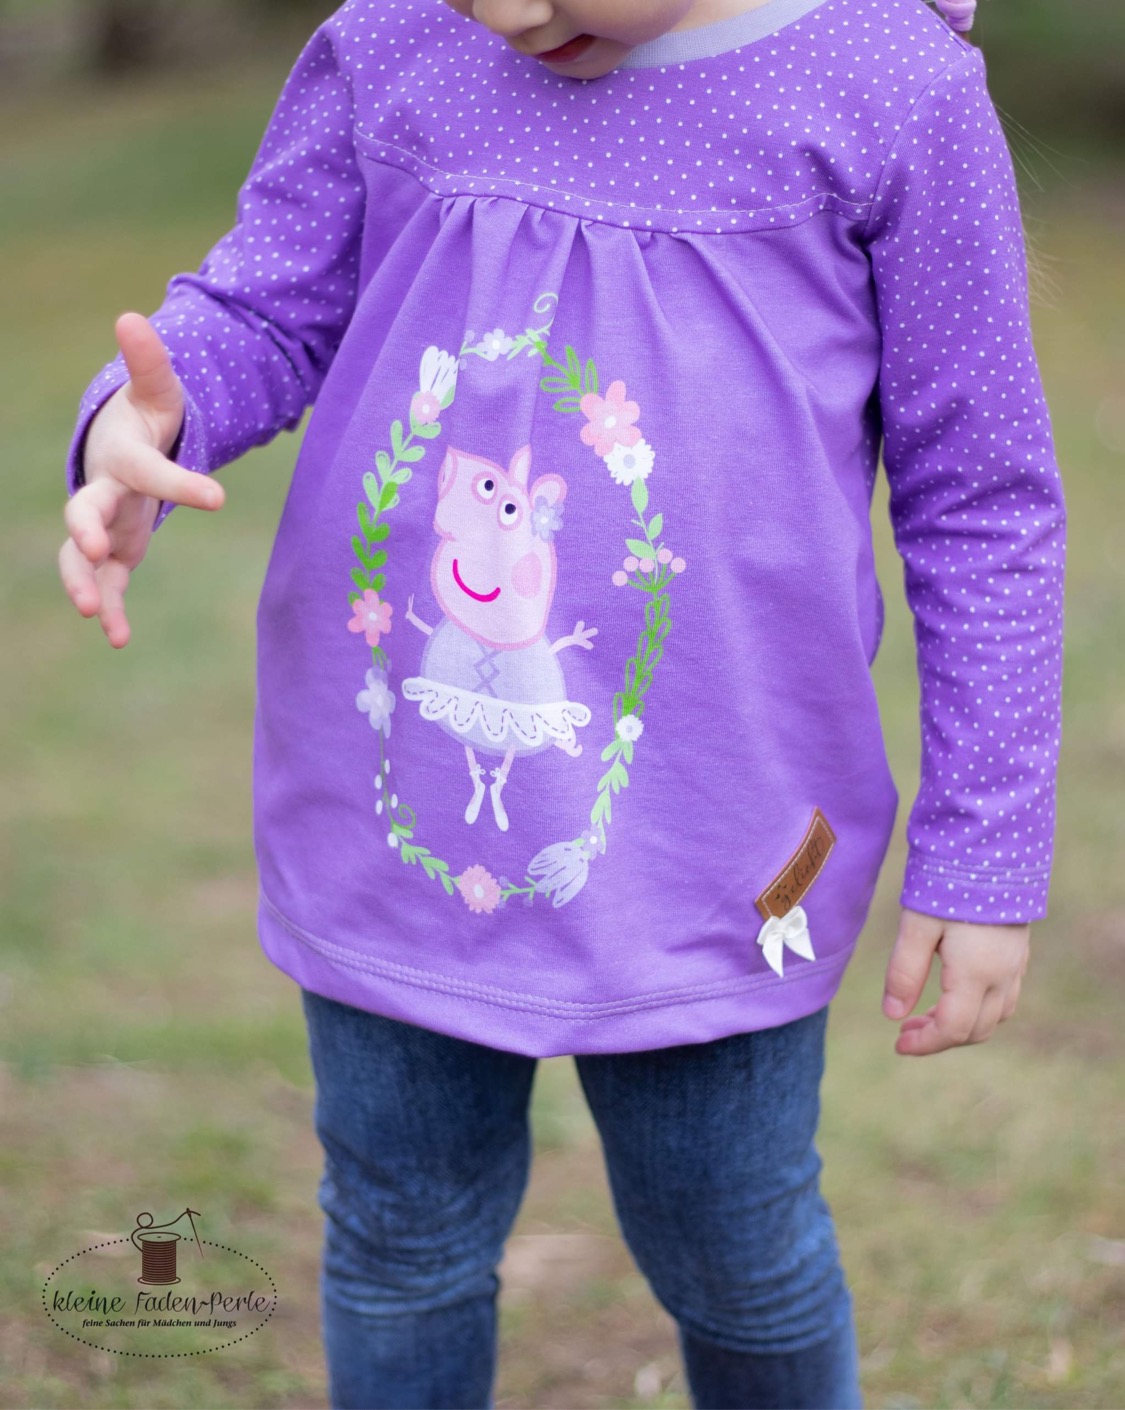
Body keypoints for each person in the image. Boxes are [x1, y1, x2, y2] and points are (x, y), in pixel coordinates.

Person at [58, 0, 1066, 1404]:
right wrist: (144, 417)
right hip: (399, 811)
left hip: (729, 844)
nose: (508, 8)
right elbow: (267, 305)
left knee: (735, 1251)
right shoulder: (392, 39)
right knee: (401, 1238)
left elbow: (983, 503)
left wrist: (985, 849)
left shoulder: (892, 89)